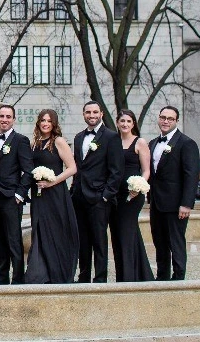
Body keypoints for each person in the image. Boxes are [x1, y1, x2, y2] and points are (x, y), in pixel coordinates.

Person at [26, 109, 79, 285]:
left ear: (54, 123)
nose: (45, 123)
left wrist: (53, 181)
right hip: (39, 194)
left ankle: (58, 272)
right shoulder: (34, 143)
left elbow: (72, 168)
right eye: (42, 120)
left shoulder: (58, 141)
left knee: (56, 230)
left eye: (49, 121)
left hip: (55, 193)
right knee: (39, 229)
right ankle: (40, 273)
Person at [72, 100, 123, 283]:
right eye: (88, 112)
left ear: (101, 113)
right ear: (83, 114)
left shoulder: (111, 137)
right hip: (79, 197)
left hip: (99, 198)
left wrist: (106, 195)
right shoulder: (78, 137)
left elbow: (116, 171)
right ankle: (84, 276)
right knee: (83, 241)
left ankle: (100, 278)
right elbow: (79, 166)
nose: (91, 115)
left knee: (99, 240)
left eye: (95, 112)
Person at [149, 105, 200, 281]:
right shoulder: (153, 143)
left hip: (176, 204)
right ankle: (162, 277)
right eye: (163, 117)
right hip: (156, 202)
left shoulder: (186, 143)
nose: (165, 121)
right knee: (159, 242)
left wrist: (186, 203)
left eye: (170, 119)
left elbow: (191, 175)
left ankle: (179, 278)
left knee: (176, 242)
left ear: (176, 121)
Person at [0, 103, 34, 285]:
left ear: (13, 120)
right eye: (2, 116)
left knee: (14, 240)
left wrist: (19, 194)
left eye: (8, 117)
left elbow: (28, 170)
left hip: (11, 198)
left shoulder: (20, 140)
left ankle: (17, 279)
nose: (4, 120)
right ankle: (1, 278)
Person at [110, 109, 154, 282]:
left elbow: (146, 170)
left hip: (132, 195)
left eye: (128, 121)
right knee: (118, 233)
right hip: (115, 194)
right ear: (118, 123)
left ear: (133, 123)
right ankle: (136, 274)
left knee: (126, 232)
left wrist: (139, 186)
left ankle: (128, 277)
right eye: (122, 121)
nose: (125, 124)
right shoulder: (113, 141)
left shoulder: (140, 142)